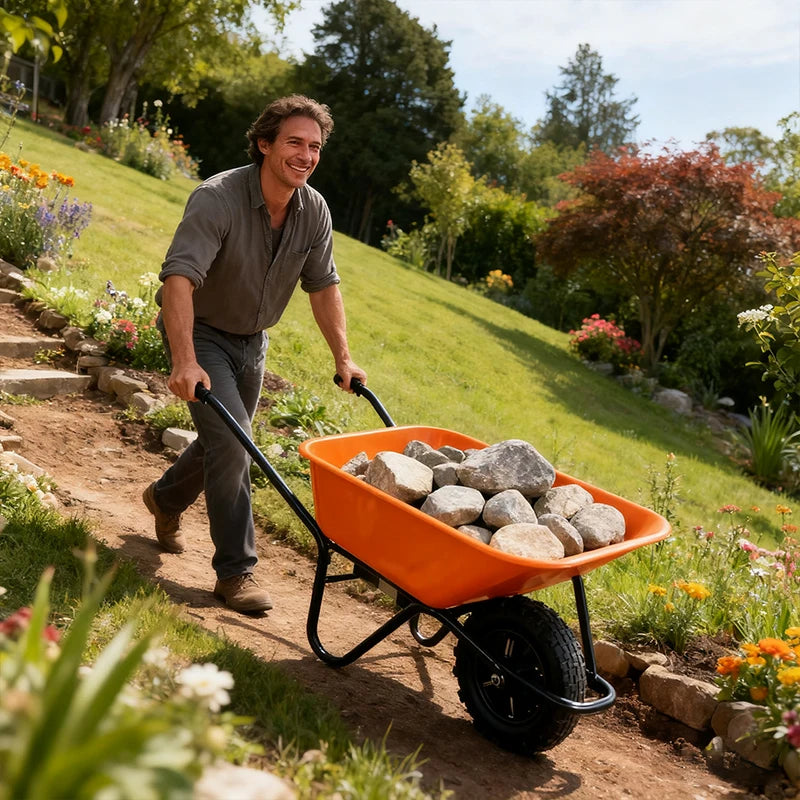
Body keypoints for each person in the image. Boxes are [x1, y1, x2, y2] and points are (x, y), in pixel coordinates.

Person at [142, 95, 366, 614]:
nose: (306, 156)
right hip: (201, 334)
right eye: (294, 142)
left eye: (315, 147)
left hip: (252, 341)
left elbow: (323, 285)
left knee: (225, 441)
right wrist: (184, 360)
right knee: (234, 443)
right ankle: (235, 572)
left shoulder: (313, 210)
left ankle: (165, 498)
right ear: (265, 144)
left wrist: (343, 358)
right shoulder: (217, 198)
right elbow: (179, 280)